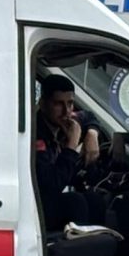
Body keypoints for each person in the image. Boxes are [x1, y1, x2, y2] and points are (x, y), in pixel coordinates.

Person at [33, 72, 105, 231]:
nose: (66, 111)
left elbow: (88, 116)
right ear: (43, 104)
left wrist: (92, 133)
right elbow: (52, 185)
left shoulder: (66, 120)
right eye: (58, 104)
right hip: (36, 205)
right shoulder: (35, 133)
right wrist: (72, 144)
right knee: (75, 202)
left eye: (70, 103)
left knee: (95, 199)